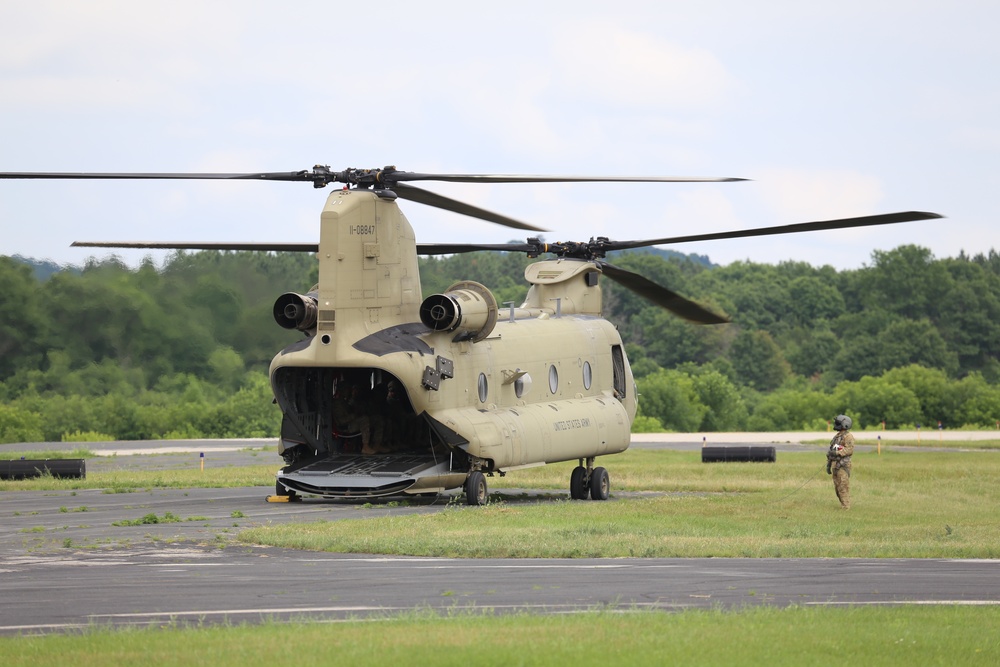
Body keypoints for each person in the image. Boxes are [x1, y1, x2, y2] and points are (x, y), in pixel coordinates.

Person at [827, 414, 855, 509]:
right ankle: (843, 504)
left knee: (843, 486)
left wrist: (837, 453)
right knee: (837, 487)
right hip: (835, 465)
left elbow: (849, 450)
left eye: (838, 423)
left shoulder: (848, 437)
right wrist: (829, 464)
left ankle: (846, 507)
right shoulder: (837, 436)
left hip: (843, 465)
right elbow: (831, 450)